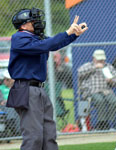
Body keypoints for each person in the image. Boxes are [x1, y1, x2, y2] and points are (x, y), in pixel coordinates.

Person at [6, 7, 88, 150]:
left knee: (49, 134)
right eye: (33, 21)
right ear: (23, 25)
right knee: (34, 136)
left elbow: (54, 43)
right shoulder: (19, 37)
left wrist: (73, 34)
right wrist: (67, 32)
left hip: (39, 89)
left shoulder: (37, 38)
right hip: (26, 89)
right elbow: (46, 45)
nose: (37, 22)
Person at [78, 49, 116, 130]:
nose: (101, 61)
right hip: (92, 91)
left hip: (106, 91)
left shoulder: (109, 66)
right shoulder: (88, 65)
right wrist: (94, 67)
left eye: (102, 60)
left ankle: (110, 123)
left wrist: (111, 81)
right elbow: (79, 73)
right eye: (99, 59)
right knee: (100, 100)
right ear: (94, 58)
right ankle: (102, 123)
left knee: (115, 101)